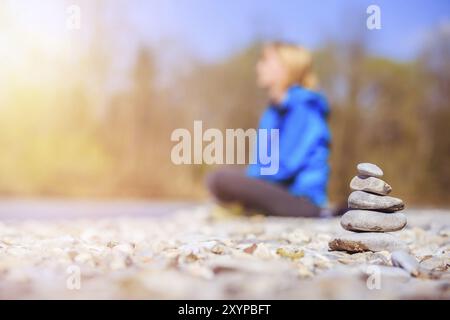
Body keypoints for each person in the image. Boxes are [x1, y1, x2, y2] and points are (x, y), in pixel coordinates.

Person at [206, 42, 333, 218]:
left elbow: (285, 166)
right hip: (279, 190)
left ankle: (244, 206)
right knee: (218, 178)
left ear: (286, 68)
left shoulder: (304, 107)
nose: (259, 66)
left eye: (265, 61)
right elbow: (263, 163)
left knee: (221, 179)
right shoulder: (272, 112)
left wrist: (250, 180)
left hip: (303, 201)